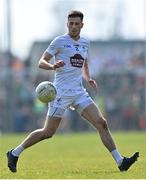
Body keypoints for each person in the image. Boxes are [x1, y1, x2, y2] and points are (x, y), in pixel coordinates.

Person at [7, 10, 139, 173]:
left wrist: (88, 78)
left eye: (77, 24)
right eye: (71, 23)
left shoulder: (85, 43)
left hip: (79, 92)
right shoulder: (59, 41)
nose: (74, 26)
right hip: (60, 93)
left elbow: (84, 63)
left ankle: (121, 162)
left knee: (102, 123)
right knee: (48, 132)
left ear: (82, 25)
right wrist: (52, 66)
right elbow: (42, 62)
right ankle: (14, 153)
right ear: (67, 24)